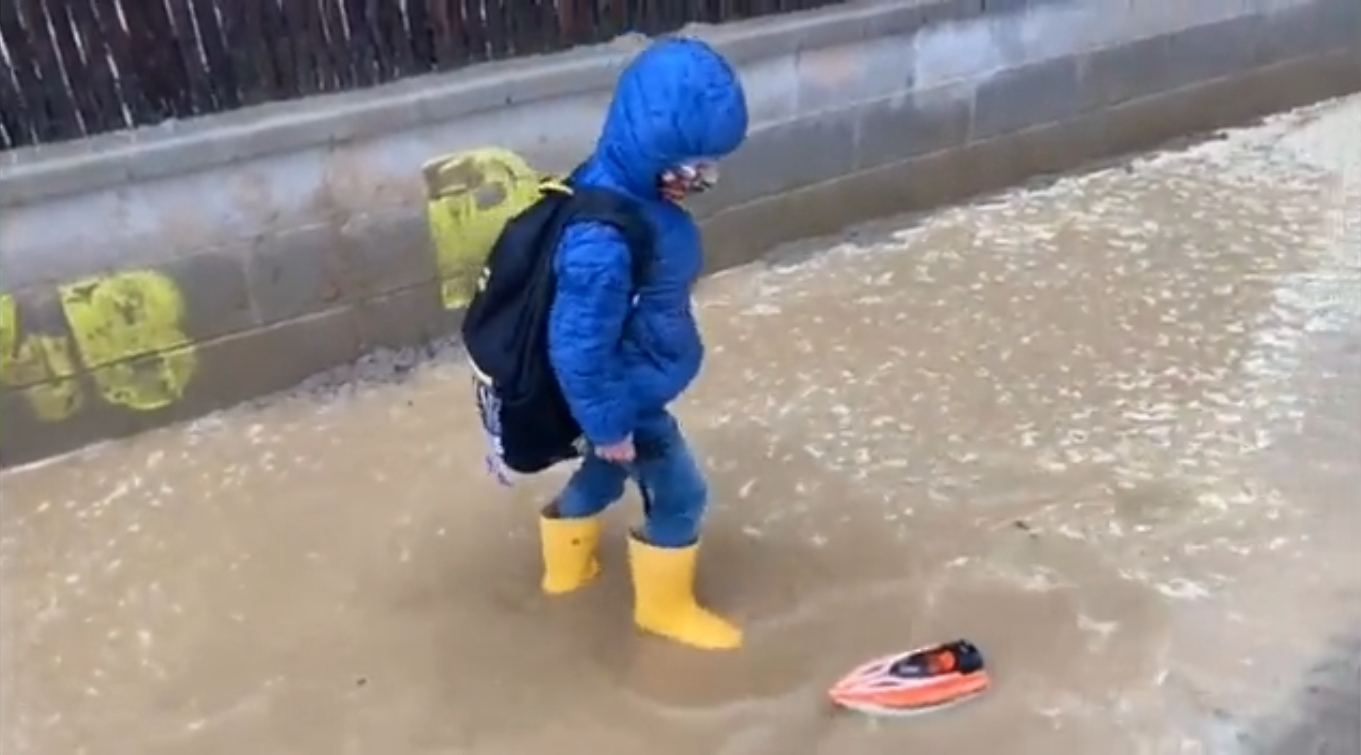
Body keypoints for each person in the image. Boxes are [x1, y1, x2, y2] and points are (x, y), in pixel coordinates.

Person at [538, 37, 749, 651]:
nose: (701, 177)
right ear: (653, 145)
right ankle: (665, 609)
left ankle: (564, 574)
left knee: (603, 477)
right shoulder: (602, 242)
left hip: (614, 389)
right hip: (623, 395)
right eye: (689, 164)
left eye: (708, 164)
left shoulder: (608, 181)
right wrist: (609, 427)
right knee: (682, 495)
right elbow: (577, 347)